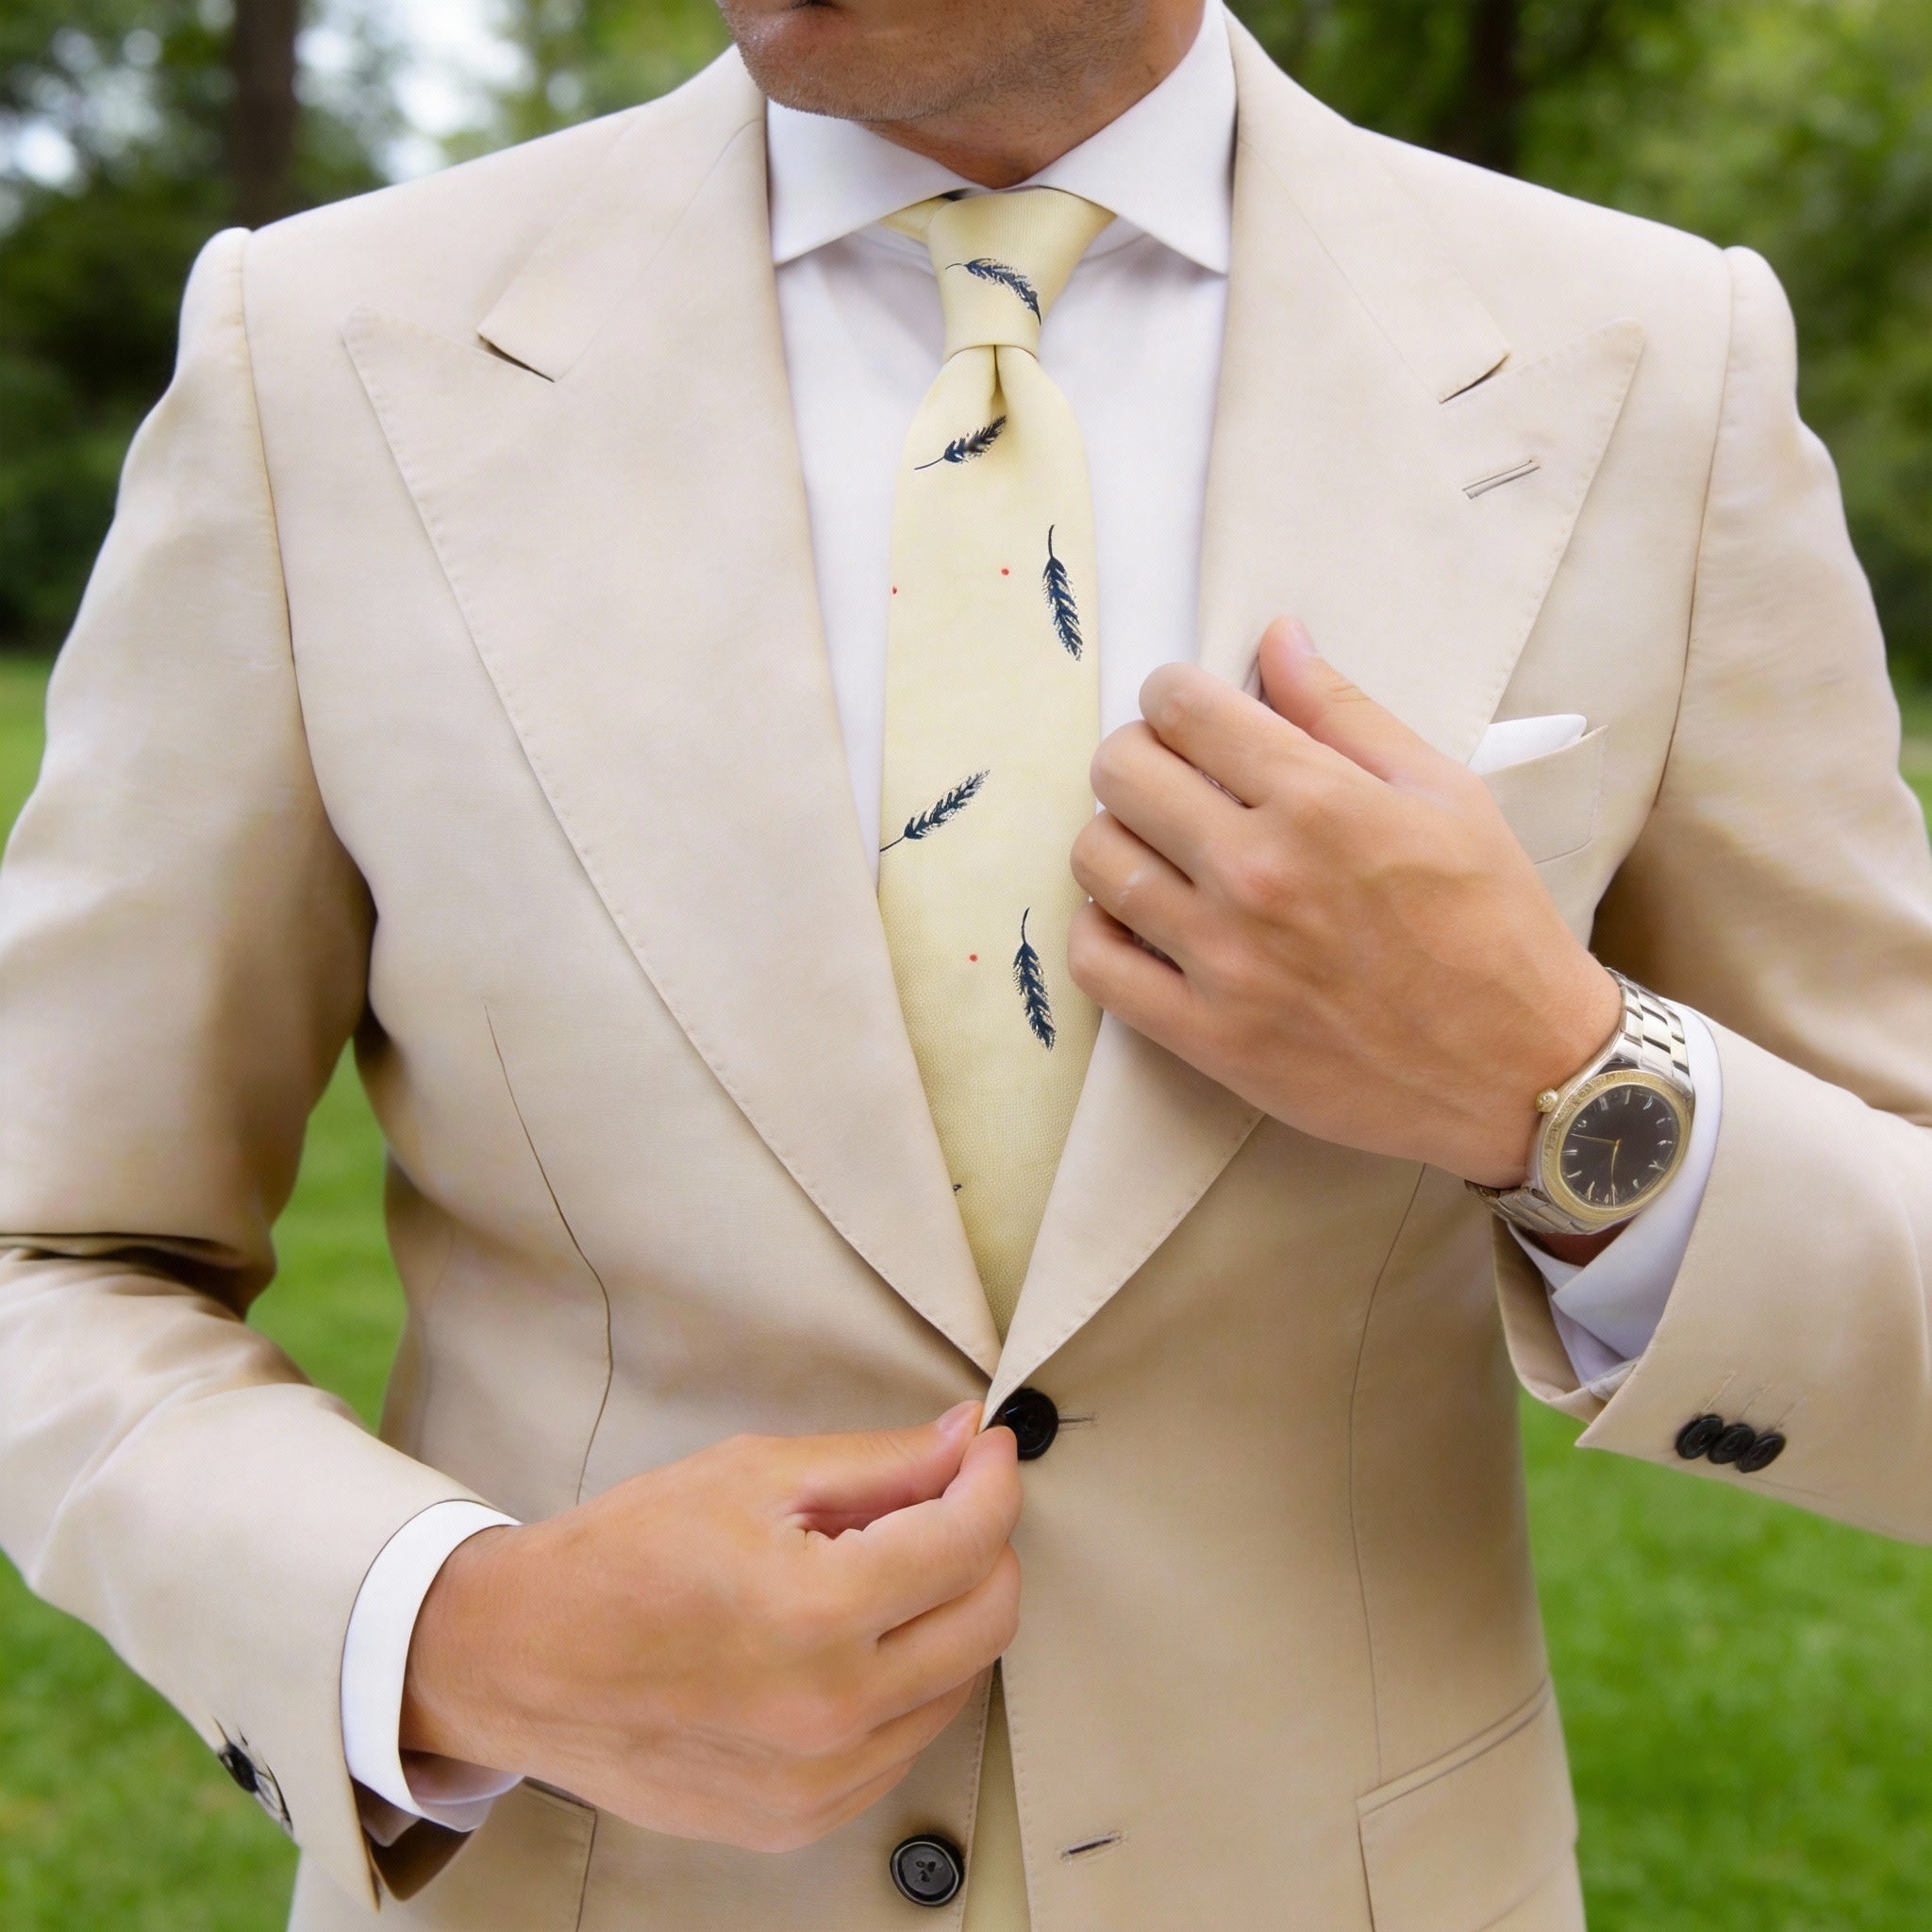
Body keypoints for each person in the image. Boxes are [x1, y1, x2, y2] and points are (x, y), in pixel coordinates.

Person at [3, 0, 1930, 1925]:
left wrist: (1567, 1087)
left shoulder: (1649, 364)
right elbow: (48, 1249)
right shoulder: (323, 358)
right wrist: (456, 1634)